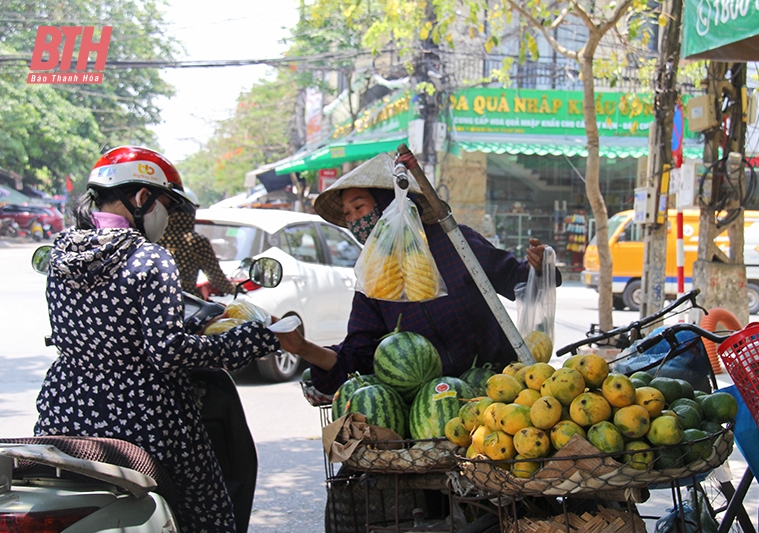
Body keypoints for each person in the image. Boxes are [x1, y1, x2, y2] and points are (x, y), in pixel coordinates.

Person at [34, 146, 280, 533]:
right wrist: (250, 340)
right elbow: (167, 351)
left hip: (65, 413)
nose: (167, 213)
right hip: (146, 418)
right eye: (164, 202)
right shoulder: (150, 258)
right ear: (142, 197)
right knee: (210, 514)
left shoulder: (61, 255)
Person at [275, 152, 561, 395]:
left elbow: (515, 278)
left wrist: (540, 265)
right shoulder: (374, 278)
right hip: (431, 404)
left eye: (359, 207)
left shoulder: (456, 242)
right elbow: (358, 353)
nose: (354, 220)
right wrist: (303, 347)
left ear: (389, 202)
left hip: (499, 391)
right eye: (348, 214)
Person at [157, 191, 237, 299]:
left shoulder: (154, 238)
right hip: (186, 303)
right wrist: (235, 289)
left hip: (156, 301)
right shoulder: (196, 241)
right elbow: (216, 278)